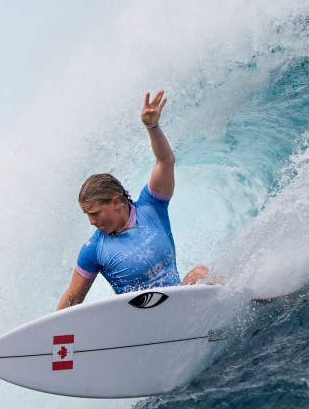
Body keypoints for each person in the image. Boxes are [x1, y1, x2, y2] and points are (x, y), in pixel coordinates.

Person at [56, 90, 209, 310]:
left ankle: (248, 299)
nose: (91, 221)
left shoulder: (152, 207)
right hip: (138, 322)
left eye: (95, 213)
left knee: (200, 274)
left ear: (116, 202)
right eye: (87, 215)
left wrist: (152, 127)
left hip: (180, 307)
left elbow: (165, 161)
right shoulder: (94, 249)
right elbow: (72, 300)